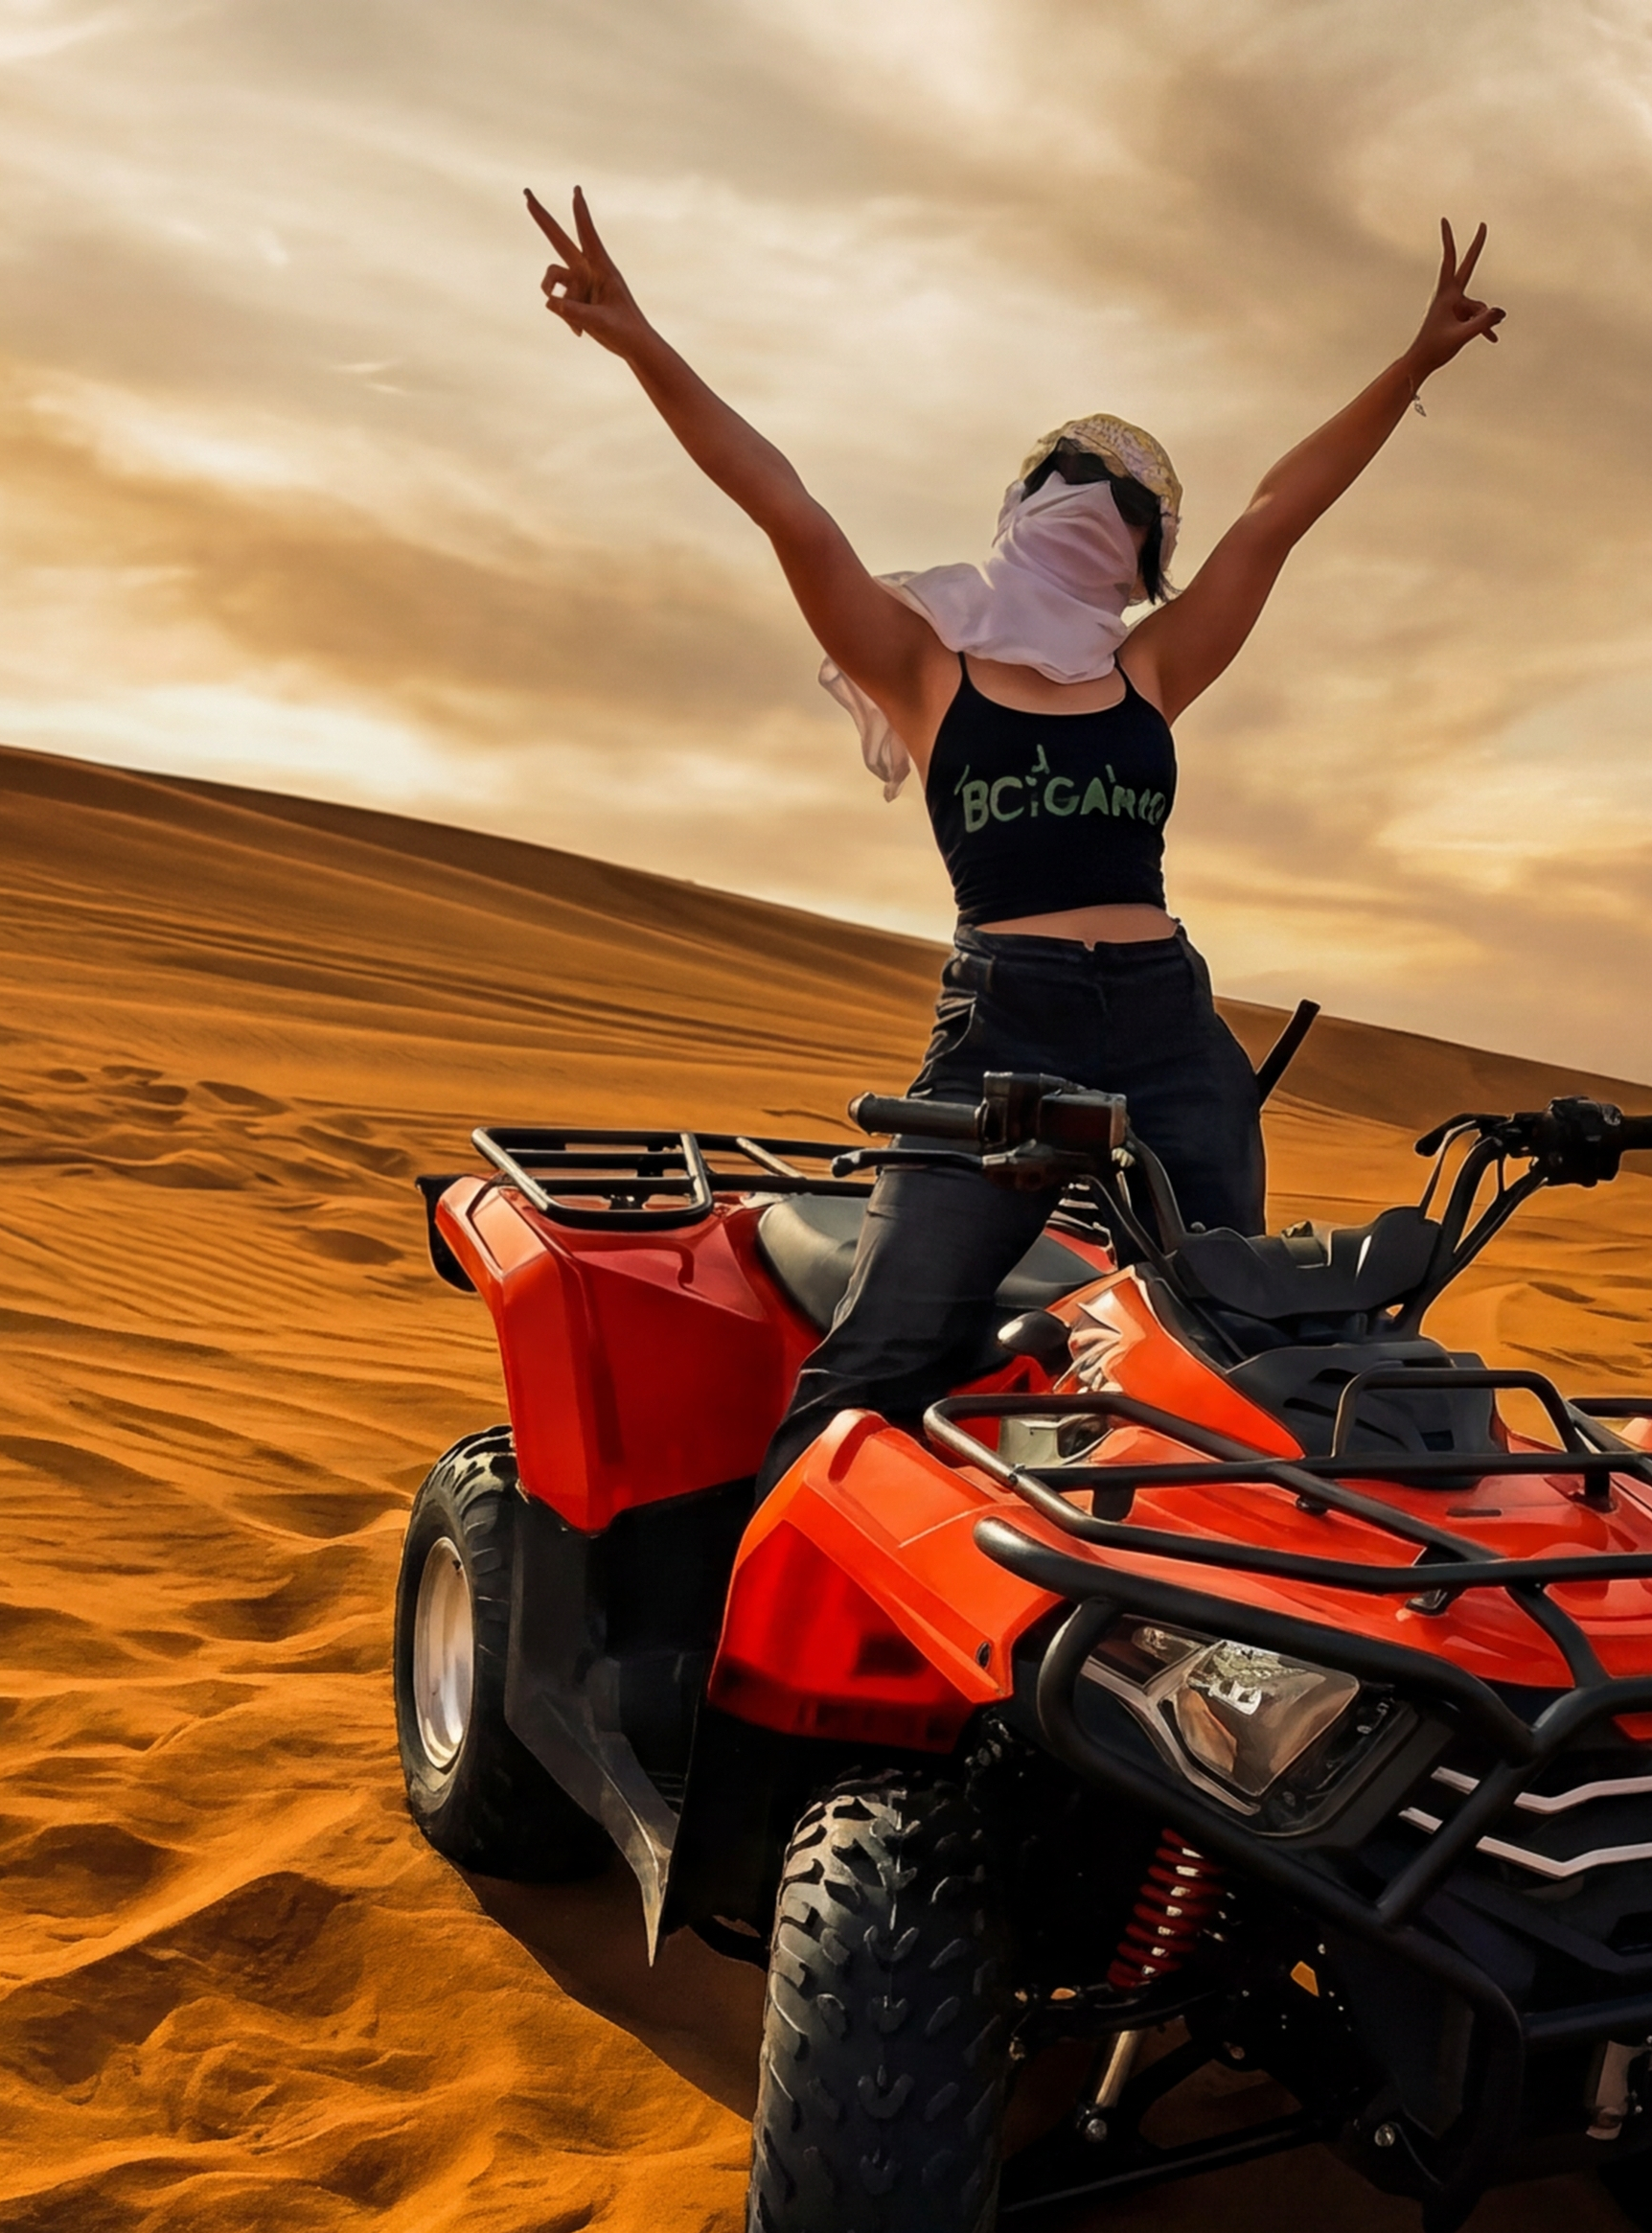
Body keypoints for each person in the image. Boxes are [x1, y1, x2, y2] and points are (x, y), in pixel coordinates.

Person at [526, 190, 1506, 1463]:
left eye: (1131, 493)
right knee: (878, 1357)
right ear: (1025, 499)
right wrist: (640, 337)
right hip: (1006, 1025)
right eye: (1077, 471)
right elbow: (782, 500)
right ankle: (733, 1639)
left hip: (1167, 1026)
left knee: (1239, 1354)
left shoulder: (1153, 668)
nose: (1100, 495)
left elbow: (1277, 513)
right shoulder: (923, 665)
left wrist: (1411, 362)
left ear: (1148, 553)